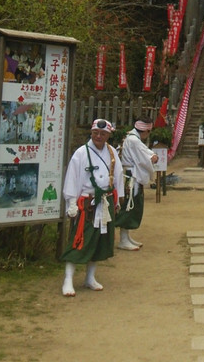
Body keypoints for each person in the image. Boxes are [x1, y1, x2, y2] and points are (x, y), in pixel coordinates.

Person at [60, 118, 124, 296]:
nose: (99, 136)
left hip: (105, 201)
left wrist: (118, 200)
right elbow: (72, 178)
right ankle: (68, 279)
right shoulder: (81, 153)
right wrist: (71, 202)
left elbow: (118, 176)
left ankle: (90, 277)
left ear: (108, 135)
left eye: (103, 134)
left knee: (99, 240)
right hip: (86, 203)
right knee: (79, 239)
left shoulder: (112, 153)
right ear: (91, 133)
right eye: (96, 133)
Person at [116, 120, 156, 251]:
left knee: (131, 205)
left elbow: (143, 153)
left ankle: (126, 237)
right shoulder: (134, 140)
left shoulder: (131, 138)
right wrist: (152, 158)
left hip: (131, 174)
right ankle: (123, 239)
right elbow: (144, 159)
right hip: (131, 175)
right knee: (128, 206)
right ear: (145, 131)